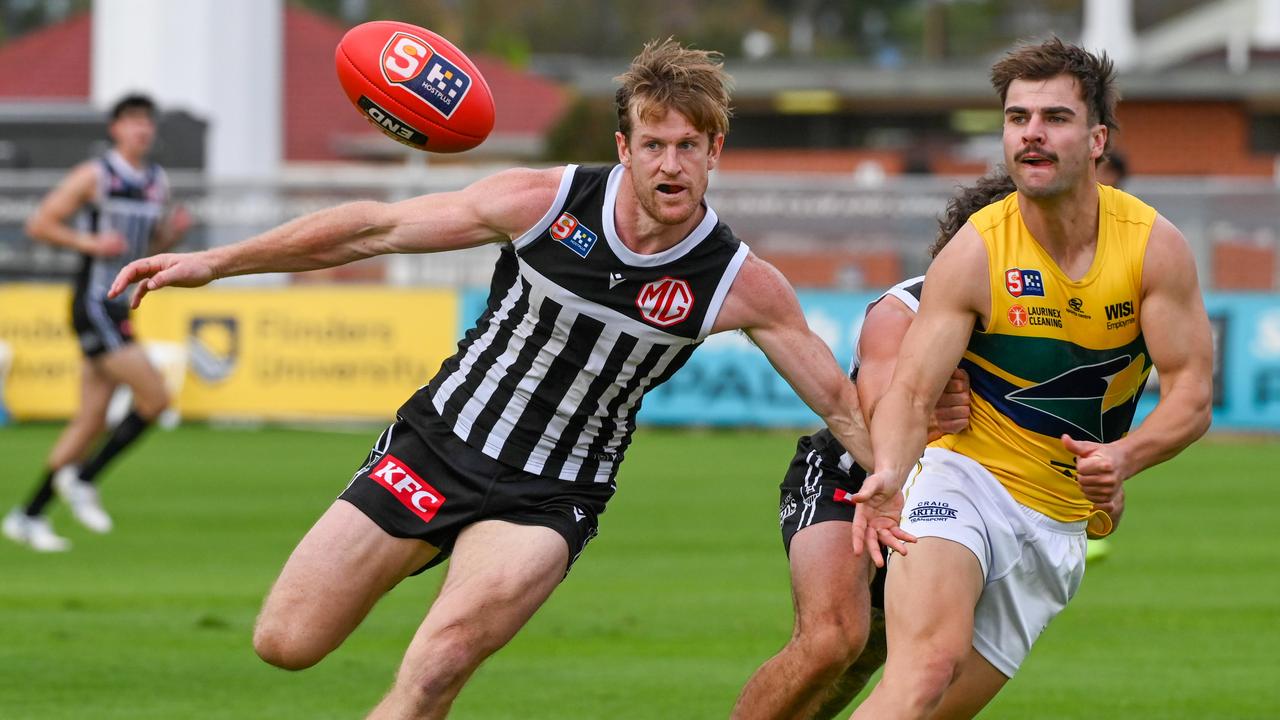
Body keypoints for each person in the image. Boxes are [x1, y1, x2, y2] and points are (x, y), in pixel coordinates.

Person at [108, 40, 883, 719]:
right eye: (654, 144)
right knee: (286, 641)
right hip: (437, 445)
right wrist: (214, 262)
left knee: (437, 664)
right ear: (624, 146)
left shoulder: (739, 282)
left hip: (552, 493)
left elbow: (838, 402)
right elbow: (372, 229)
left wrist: (896, 481)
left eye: (689, 146)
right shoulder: (543, 203)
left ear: (716, 151)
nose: (671, 165)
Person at [849, 37, 1213, 719]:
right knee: (924, 670)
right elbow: (911, 391)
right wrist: (890, 477)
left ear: (1097, 138)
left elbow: (1192, 394)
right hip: (963, 482)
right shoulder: (977, 250)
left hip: (1058, 525)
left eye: (1054, 118)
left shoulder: (1153, 248)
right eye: (1017, 119)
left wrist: (1123, 457)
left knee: (934, 710)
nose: (1032, 135)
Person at [732, 170, 1128, 720]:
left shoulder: (1043, 326)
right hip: (854, 481)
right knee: (832, 641)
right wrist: (921, 421)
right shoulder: (904, 309)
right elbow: (881, 406)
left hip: (957, 505)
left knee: (881, 667)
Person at [3, 94, 190, 552]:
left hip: (119, 305)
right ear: (115, 129)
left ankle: (27, 516)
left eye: (147, 122)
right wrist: (89, 242)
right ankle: (84, 479)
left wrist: (172, 236)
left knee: (87, 423)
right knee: (156, 397)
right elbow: (40, 223)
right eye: (131, 122)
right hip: (92, 303)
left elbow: (150, 241)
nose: (141, 130)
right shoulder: (96, 175)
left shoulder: (155, 181)